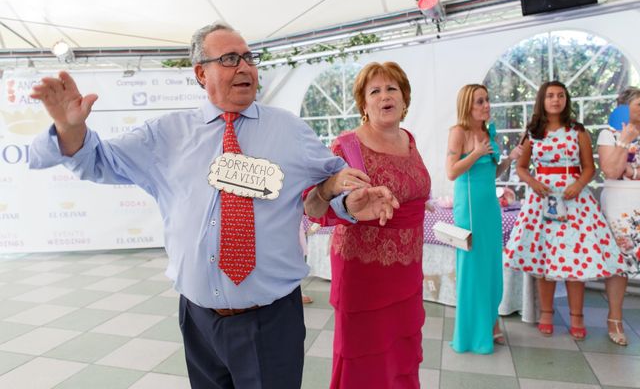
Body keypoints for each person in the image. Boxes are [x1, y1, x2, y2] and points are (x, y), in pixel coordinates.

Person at [28, 22, 398, 389]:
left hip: (270, 321)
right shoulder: (166, 135)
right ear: (201, 73)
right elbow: (98, 162)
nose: (245, 67)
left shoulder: (290, 131)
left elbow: (330, 185)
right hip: (198, 319)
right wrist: (69, 128)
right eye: (230, 58)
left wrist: (350, 199)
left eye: (249, 58)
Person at [304, 61, 430, 388]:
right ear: (363, 103)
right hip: (363, 269)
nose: (384, 96)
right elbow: (316, 207)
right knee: (365, 354)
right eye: (375, 91)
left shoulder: (410, 139)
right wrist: (348, 204)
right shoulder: (347, 146)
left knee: (402, 349)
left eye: (392, 89)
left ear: (404, 99)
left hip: (407, 267)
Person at [504, 81, 626, 341]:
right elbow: (522, 168)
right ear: (542, 100)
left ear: (566, 100)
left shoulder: (578, 131)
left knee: (575, 259)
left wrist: (579, 185)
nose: (556, 100)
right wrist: (534, 183)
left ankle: (576, 316)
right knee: (544, 257)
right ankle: (546, 313)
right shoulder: (533, 132)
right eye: (550, 95)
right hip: (542, 202)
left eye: (560, 95)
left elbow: (589, 168)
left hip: (575, 202)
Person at [445, 84, 522, 354]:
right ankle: (471, 333)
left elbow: (492, 173)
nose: (486, 105)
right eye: (480, 101)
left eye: (487, 100)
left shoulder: (488, 131)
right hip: (469, 210)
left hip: (490, 207)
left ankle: (490, 323)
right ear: (468, 105)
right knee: (473, 270)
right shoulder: (459, 132)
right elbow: (451, 172)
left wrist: (510, 159)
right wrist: (476, 153)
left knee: (490, 267)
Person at [597, 86, 640, 346]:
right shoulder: (609, 134)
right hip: (619, 203)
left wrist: (631, 171)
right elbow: (612, 170)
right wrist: (624, 140)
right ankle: (615, 317)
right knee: (620, 262)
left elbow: (627, 169)